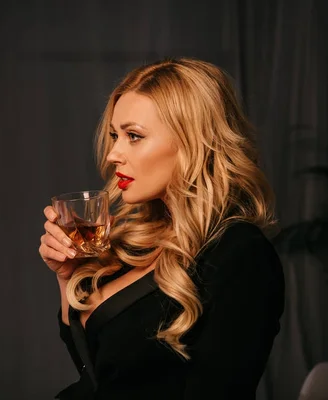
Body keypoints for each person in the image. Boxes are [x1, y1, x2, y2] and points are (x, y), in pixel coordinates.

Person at [39, 57, 285, 400]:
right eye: (114, 135)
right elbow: (98, 372)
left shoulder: (240, 253)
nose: (113, 154)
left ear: (193, 143)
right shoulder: (136, 241)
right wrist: (68, 276)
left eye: (134, 136)